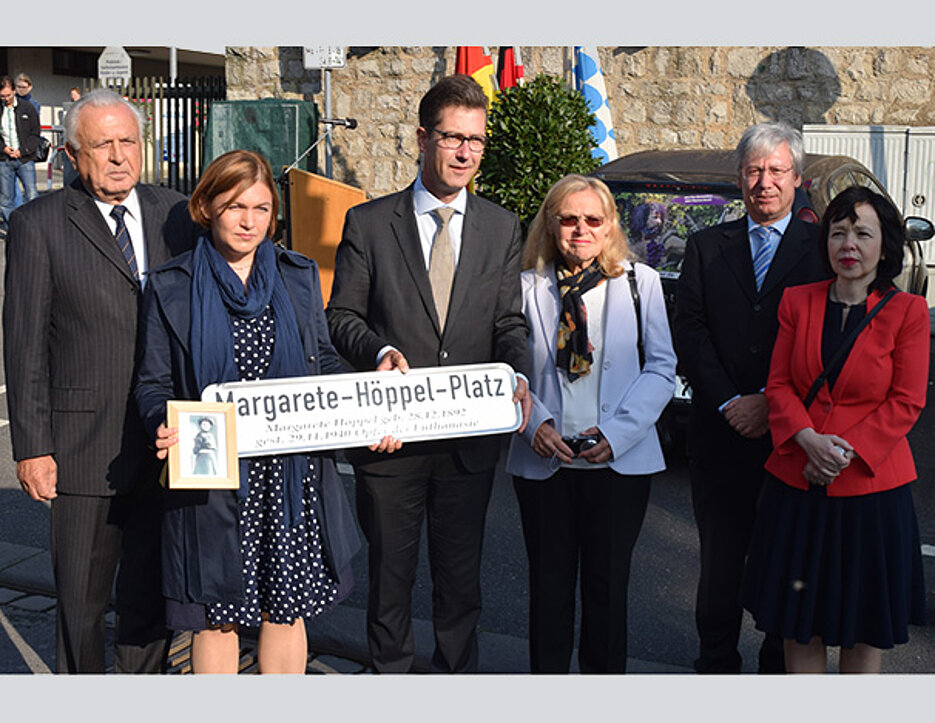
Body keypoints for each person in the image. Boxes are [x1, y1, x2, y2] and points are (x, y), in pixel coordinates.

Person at [326, 73, 532, 673]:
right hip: (391, 442)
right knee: (390, 586)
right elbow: (341, 316)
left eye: (476, 140)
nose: (465, 151)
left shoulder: (501, 227)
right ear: (422, 138)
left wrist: (516, 375)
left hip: (467, 444)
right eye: (452, 137)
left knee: (460, 586)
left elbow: (508, 325)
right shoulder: (370, 224)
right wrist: (378, 352)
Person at [134, 149, 360, 674]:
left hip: (288, 472)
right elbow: (152, 383)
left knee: (285, 608)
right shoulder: (172, 285)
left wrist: (361, 401)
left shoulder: (297, 275)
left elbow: (321, 357)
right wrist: (159, 423)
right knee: (218, 616)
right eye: (236, 206)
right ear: (207, 206)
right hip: (213, 476)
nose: (249, 221)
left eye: (261, 209)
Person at [3, 88, 198, 673]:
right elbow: (25, 343)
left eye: (128, 141)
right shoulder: (38, 224)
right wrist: (33, 447)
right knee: (82, 607)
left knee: (150, 600)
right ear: (71, 155)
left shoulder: (178, 213)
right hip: (83, 448)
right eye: (102, 144)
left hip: (167, 444)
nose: (118, 156)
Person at [742, 186, 928, 673]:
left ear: (884, 246)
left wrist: (841, 454)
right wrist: (807, 440)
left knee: (862, 630)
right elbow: (778, 385)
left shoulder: (907, 312)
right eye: (839, 232)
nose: (848, 243)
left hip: (870, 490)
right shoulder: (796, 302)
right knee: (800, 624)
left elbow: (906, 401)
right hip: (797, 484)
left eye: (862, 233)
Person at [674, 121, 831, 674]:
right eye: (754, 171)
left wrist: (770, 400)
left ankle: (775, 669)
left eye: (776, 171)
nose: (764, 182)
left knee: (784, 560)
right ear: (739, 178)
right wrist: (729, 401)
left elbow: (829, 341)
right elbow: (688, 331)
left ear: (797, 178)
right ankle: (715, 664)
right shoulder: (705, 246)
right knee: (719, 563)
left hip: (791, 437)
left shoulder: (823, 250)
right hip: (720, 433)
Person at [506, 175, 676, 673]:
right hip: (544, 462)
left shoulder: (639, 284)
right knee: (549, 592)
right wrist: (532, 422)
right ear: (551, 224)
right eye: (569, 219)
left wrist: (618, 435)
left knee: (607, 594)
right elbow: (508, 366)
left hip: (618, 466)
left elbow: (661, 367)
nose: (581, 229)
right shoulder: (525, 286)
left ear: (609, 227)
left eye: (592, 220)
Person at [0, 75, 40, 227]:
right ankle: (13, 229)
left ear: (14, 91)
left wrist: (23, 151)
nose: (5, 99)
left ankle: (35, 227)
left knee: (31, 194)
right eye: (2, 96)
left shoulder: (27, 107)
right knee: (6, 199)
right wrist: (3, 148)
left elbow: (35, 132)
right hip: (4, 161)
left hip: (24, 159)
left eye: (8, 95)